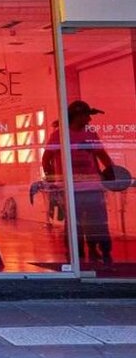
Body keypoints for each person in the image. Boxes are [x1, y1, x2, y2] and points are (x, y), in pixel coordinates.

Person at [41, 100, 114, 265]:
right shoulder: (59, 135)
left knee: (99, 221)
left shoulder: (90, 133)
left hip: (92, 185)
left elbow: (102, 155)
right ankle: (77, 253)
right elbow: (46, 160)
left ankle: (102, 251)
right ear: (77, 116)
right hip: (71, 187)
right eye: (86, 115)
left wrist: (111, 171)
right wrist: (54, 181)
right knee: (75, 222)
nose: (89, 119)